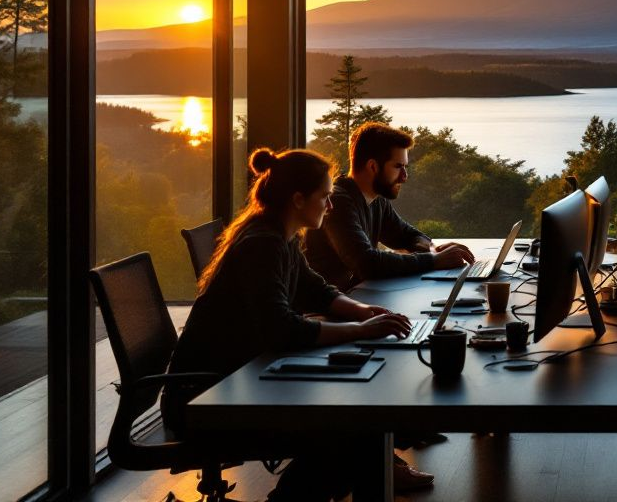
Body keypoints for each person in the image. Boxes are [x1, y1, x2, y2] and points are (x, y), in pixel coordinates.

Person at [163, 148, 433, 501]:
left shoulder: (279, 234)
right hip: (206, 399)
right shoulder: (263, 244)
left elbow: (316, 291)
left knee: (359, 429)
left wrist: (365, 311)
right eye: (325, 197)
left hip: (236, 381)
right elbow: (284, 330)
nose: (330, 206)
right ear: (298, 199)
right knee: (354, 431)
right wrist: (362, 330)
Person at [303, 122, 475, 289]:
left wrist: (433, 249)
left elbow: (405, 235)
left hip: (355, 299)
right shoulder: (337, 202)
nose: (404, 177)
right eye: (398, 167)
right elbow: (366, 263)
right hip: (327, 310)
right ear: (373, 166)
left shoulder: (376, 199)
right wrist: (434, 260)